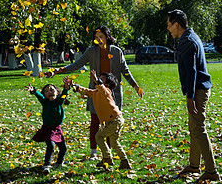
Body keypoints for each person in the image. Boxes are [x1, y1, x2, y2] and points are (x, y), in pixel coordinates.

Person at [45, 26, 144, 159]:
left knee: (111, 123)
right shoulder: (92, 51)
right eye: (96, 38)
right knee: (95, 122)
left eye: (101, 37)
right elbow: (76, 65)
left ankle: (107, 153)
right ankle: (93, 152)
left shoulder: (117, 51)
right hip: (96, 92)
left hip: (112, 94)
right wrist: (57, 70)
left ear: (107, 37)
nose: (99, 40)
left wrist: (135, 86)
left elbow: (125, 71)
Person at [166, 9, 220, 184]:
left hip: (197, 90)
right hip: (198, 88)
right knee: (194, 128)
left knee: (198, 128)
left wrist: (190, 97)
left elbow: (192, 72)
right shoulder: (190, 36)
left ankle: (211, 171)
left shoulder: (187, 41)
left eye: (169, 25)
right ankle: (194, 166)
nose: (168, 29)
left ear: (177, 24)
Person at [73, 70, 131, 169]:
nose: (98, 79)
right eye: (99, 77)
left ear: (107, 84)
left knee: (99, 137)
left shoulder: (107, 91)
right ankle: (124, 161)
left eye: (102, 79)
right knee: (114, 142)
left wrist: (96, 80)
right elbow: (86, 91)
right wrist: (75, 86)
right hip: (114, 120)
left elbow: (102, 88)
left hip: (114, 120)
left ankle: (107, 158)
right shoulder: (96, 92)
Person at [25, 77, 72, 175]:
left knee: (63, 148)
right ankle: (47, 165)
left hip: (57, 129)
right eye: (46, 91)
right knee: (51, 146)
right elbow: (39, 96)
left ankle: (59, 163)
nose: (49, 92)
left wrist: (66, 88)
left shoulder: (59, 101)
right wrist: (34, 91)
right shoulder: (45, 102)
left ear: (56, 92)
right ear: (45, 95)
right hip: (47, 129)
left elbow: (64, 95)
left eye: (51, 89)